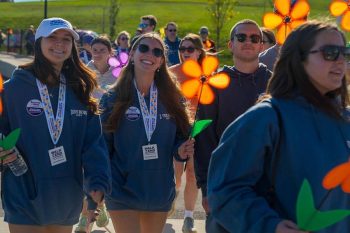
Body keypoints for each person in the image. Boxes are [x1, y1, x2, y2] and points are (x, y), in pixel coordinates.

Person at [207, 20, 350, 233]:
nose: (340, 61)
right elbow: (225, 190)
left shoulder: (345, 120)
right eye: (330, 53)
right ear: (299, 59)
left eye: (344, 52)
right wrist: (270, 226)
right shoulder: (266, 118)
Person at [0, 17, 111, 233]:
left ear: (73, 46)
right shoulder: (13, 89)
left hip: (65, 195)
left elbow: (93, 145)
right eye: (52, 37)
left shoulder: (79, 91)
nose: (59, 44)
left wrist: (97, 184)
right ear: (39, 42)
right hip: (24, 193)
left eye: (66, 39)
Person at [99, 32, 195, 233]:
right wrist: (97, 186)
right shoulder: (112, 98)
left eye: (157, 51)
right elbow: (102, 146)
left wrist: (181, 150)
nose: (149, 54)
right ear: (132, 54)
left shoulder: (173, 98)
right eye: (143, 48)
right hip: (121, 189)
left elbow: (180, 138)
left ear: (161, 61)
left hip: (158, 189)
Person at [194, 19, 271, 218]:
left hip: (268, 183)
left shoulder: (275, 82)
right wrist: (205, 186)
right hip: (224, 181)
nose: (248, 41)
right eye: (241, 37)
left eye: (255, 38)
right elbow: (203, 135)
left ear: (261, 46)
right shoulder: (214, 84)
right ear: (231, 44)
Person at [75, 36, 115, 233]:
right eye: (95, 50)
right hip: (89, 130)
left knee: (102, 173)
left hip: (109, 131)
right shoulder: (85, 72)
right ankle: (85, 219)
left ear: (110, 53)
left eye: (102, 50)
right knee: (87, 175)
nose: (97, 53)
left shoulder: (119, 74)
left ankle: (99, 206)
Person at [169, 33, 205, 233]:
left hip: (199, 129)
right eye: (182, 49)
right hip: (175, 129)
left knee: (192, 174)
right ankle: (172, 194)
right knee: (176, 176)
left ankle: (189, 217)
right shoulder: (170, 73)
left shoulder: (208, 74)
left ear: (199, 52)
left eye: (190, 49)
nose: (185, 53)